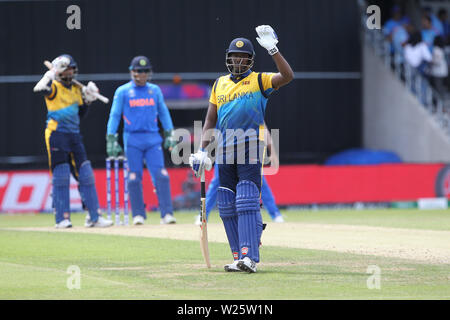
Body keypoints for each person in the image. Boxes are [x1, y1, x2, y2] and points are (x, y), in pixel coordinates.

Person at [189, 25, 293, 273]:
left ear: (250, 60)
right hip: (224, 150)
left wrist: (274, 50)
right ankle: (238, 256)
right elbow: (210, 121)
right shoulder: (219, 84)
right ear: (228, 59)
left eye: (243, 57)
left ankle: (250, 257)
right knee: (226, 203)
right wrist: (202, 150)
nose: (237, 60)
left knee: (246, 199)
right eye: (234, 57)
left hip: (250, 147)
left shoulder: (260, 80)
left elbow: (287, 76)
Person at [33, 54, 113, 228]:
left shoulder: (77, 90)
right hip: (56, 134)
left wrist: (88, 100)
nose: (70, 72)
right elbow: (38, 88)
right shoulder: (53, 87)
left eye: (72, 69)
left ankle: (94, 217)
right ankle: (62, 218)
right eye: (67, 69)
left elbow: (79, 115)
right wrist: (50, 75)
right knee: (61, 175)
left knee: (85, 174)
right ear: (60, 71)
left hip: (74, 135)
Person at [106, 56, 177, 225]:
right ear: (132, 72)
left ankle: (166, 214)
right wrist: (111, 138)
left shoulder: (154, 90)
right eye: (139, 71)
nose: (142, 74)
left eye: (145, 71)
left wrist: (170, 134)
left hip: (152, 138)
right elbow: (114, 116)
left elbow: (164, 113)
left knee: (161, 175)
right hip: (132, 139)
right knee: (133, 177)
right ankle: (138, 214)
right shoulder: (123, 91)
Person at [195, 124, 284, 225]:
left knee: (260, 181)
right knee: (217, 182)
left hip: (247, 151)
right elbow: (209, 129)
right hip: (225, 151)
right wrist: (201, 151)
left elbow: (263, 128)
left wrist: (272, 151)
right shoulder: (221, 109)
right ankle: (203, 215)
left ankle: (275, 214)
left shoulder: (250, 109)